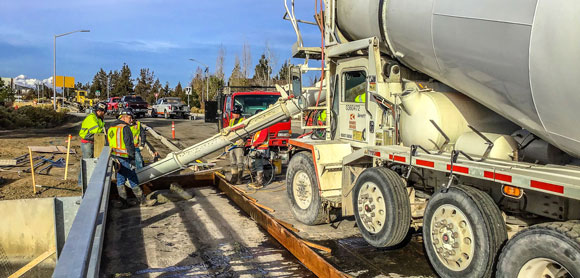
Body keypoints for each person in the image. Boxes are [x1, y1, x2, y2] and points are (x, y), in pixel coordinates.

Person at [108, 109, 144, 207]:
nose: (131, 120)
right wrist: (132, 159)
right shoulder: (125, 128)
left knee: (120, 178)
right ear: (124, 117)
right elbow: (129, 144)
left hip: (115, 157)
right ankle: (142, 200)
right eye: (130, 117)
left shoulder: (111, 127)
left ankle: (123, 202)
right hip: (124, 157)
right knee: (132, 177)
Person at [78, 102, 106, 187]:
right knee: (87, 162)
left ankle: (90, 180)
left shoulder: (98, 118)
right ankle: (81, 182)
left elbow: (102, 128)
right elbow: (97, 130)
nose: (104, 113)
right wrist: (104, 132)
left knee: (92, 162)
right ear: (98, 111)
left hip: (93, 142)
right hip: (87, 143)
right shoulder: (91, 118)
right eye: (103, 112)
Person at [249, 109, 270, 188]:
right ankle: (256, 181)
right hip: (258, 148)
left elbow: (262, 138)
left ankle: (259, 183)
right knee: (254, 164)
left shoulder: (264, 126)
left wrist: (254, 145)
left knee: (258, 165)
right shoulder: (260, 126)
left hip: (261, 148)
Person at [228, 104, 245, 184]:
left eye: (234, 113)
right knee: (232, 161)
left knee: (239, 162)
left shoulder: (243, 120)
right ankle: (234, 176)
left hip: (239, 144)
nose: (233, 114)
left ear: (238, 113)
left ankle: (239, 178)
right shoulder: (231, 121)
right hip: (232, 144)